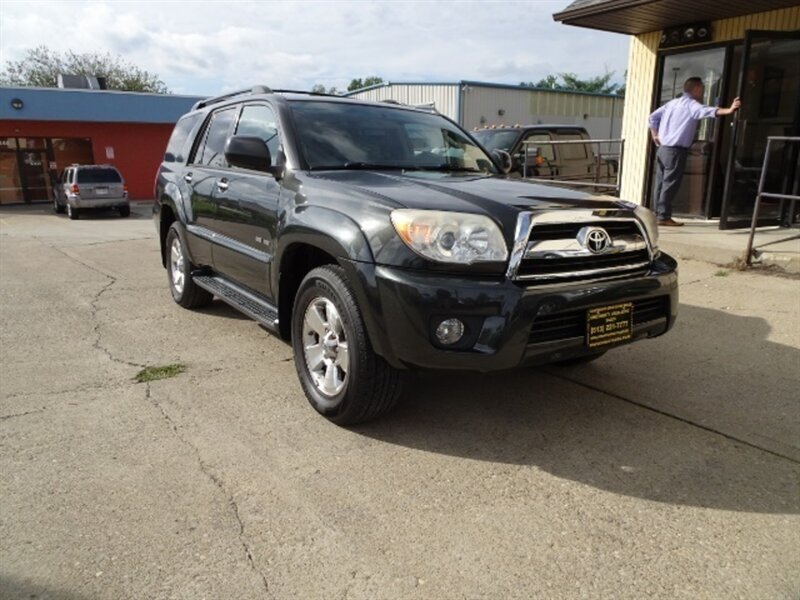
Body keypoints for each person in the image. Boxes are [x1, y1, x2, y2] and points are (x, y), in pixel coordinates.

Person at [648, 77, 741, 226]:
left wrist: (655, 134)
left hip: (663, 149)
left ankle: (657, 214)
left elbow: (652, 118)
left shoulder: (671, 103)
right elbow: (708, 111)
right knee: (670, 184)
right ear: (697, 88)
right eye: (702, 89)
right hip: (675, 151)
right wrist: (729, 110)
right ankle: (663, 217)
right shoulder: (691, 105)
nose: (703, 92)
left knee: (660, 183)